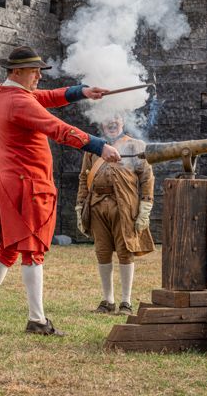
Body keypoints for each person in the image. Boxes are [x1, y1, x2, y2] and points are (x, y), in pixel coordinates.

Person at [0, 46, 121, 336]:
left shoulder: (7, 93)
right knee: (32, 250)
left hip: (11, 181)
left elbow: (47, 97)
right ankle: (37, 319)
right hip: (27, 184)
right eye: (33, 71)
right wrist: (98, 145)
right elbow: (58, 129)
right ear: (16, 72)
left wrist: (82, 91)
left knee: (8, 248)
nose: (39, 75)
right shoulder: (18, 101)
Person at [75, 114, 155, 316]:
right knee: (102, 252)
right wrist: (80, 206)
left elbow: (147, 178)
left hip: (125, 206)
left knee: (125, 252)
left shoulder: (136, 146)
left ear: (122, 121)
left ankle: (126, 302)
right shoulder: (93, 149)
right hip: (96, 206)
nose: (111, 122)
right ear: (101, 122)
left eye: (116, 118)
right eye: (107, 118)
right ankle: (107, 300)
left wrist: (145, 206)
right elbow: (84, 179)